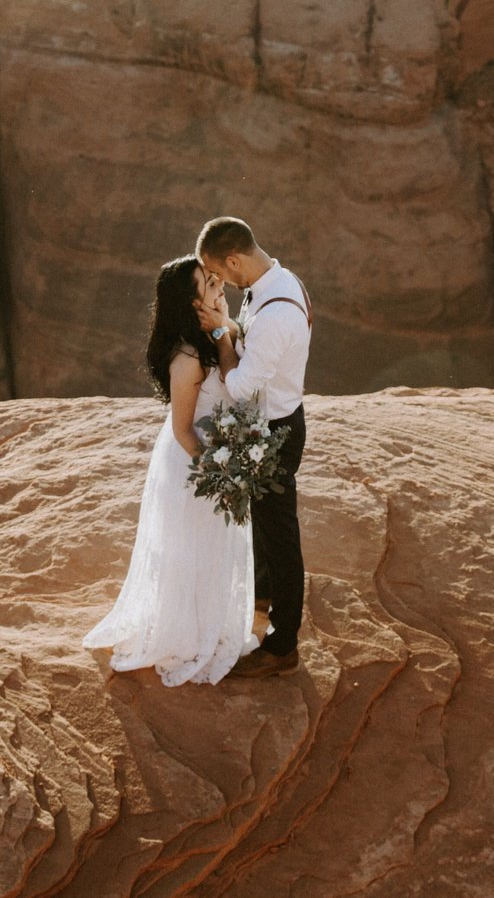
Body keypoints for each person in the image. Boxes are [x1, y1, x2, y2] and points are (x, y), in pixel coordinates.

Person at [81, 257, 265, 686]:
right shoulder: (185, 357)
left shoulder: (213, 334)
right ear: (190, 300)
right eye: (207, 280)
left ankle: (214, 625)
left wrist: (222, 327)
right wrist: (222, 478)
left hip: (216, 455)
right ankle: (184, 635)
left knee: (214, 547)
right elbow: (183, 431)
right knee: (191, 549)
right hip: (193, 465)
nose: (218, 282)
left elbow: (234, 369)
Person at [195, 215, 309, 678]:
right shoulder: (276, 283)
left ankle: (283, 644)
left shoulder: (277, 312)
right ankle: (260, 605)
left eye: (219, 273)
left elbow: (241, 386)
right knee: (262, 525)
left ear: (235, 259)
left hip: (275, 432)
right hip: (273, 422)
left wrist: (222, 332)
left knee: (281, 536)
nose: (219, 283)